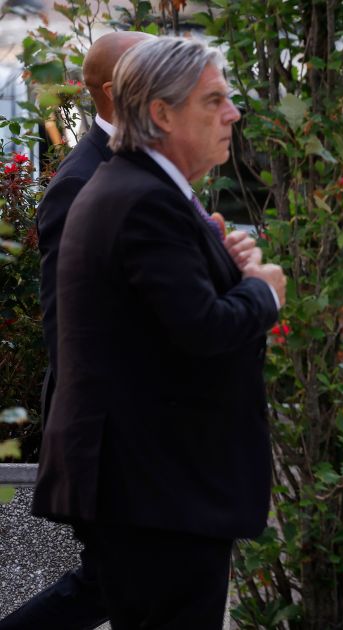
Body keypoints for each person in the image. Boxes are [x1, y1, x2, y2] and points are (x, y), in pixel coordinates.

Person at [27, 36, 286, 628]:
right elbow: (199, 329)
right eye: (213, 100)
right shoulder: (139, 195)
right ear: (162, 113)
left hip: (154, 483)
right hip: (156, 484)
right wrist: (263, 291)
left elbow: (158, 314)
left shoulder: (139, 186)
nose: (233, 114)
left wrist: (223, 267)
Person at [0, 30, 153, 630]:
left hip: (133, 433)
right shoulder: (81, 180)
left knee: (123, 586)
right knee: (109, 585)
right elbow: (67, 327)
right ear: (117, 92)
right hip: (107, 435)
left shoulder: (136, 165)